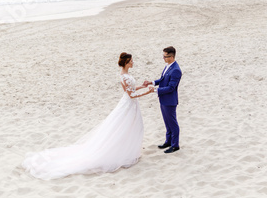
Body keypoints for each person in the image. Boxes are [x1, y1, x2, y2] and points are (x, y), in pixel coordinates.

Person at [22, 52, 153, 180]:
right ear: (126, 63)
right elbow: (131, 95)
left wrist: (143, 86)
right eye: (131, 61)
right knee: (126, 128)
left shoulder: (126, 74)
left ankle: (128, 152)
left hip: (130, 105)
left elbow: (131, 90)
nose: (133, 62)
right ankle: (125, 153)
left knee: (131, 127)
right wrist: (148, 92)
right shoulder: (124, 76)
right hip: (129, 105)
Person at [144, 46, 182, 154]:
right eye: (163, 56)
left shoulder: (176, 70)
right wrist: (151, 82)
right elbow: (162, 79)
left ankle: (175, 145)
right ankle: (168, 141)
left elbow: (171, 87)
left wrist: (155, 90)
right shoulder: (168, 66)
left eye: (165, 56)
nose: (163, 58)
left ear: (172, 56)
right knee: (167, 123)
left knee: (173, 123)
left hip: (170, 101)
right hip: (163, 99)